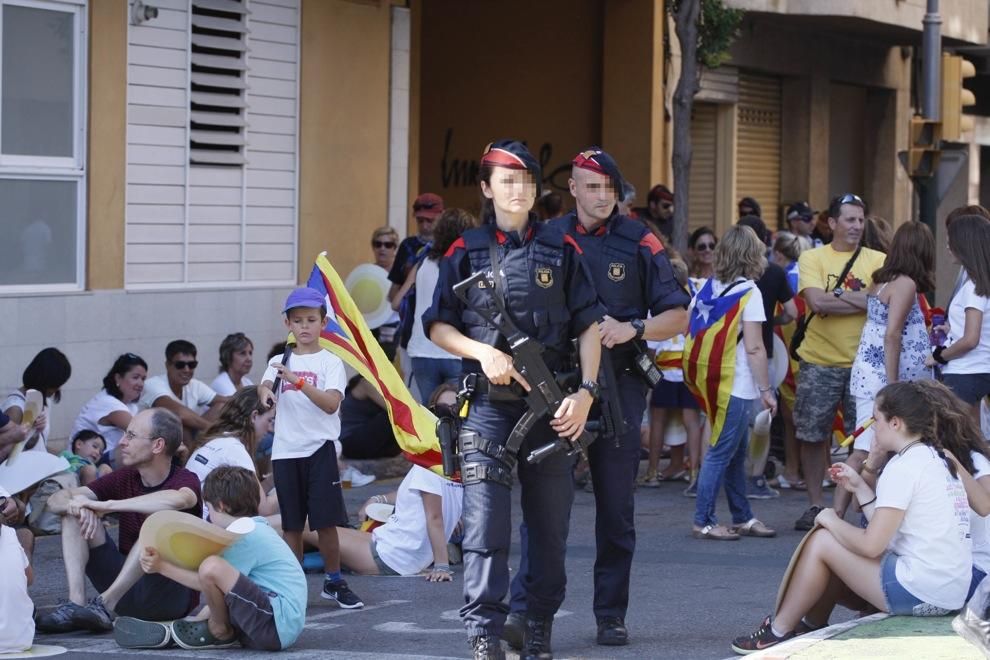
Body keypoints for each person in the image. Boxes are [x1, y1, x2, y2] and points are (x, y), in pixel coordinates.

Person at [424, 139, 604, 660]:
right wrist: (483, 352)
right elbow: (437, 325)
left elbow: (590, 324)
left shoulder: (562, 247)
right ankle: (483, 632)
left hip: (552, 411)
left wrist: (587, 394)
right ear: (486, 188)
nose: (518, 190)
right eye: (507, 181)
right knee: (485, 528)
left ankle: (535, 624)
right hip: (486, 408)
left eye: (526, 181)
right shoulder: (466, 250)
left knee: (549, 530)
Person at [506, 147, 689, 648]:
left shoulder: (639, 239)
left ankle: (610, 613)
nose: (601, 196)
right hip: (558, 384)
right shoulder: (547, 237)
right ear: (574, 189)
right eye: (592, 186)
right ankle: (528, 612)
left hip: (619, 385)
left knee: (614, 505)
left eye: (609, 187)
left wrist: (633, 327)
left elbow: (678, 315)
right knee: (544, 504)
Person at [731, 380, 972, 653]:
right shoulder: (934, 457)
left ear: (895, 423)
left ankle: (779, 631)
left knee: (824, 540)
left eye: (876, 419)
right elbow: (892, 529)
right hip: (948, 591)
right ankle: (808, 626)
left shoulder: (903, 467)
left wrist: (831, 519)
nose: (872, 428)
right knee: (833, 541)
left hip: (923, 591)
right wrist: (859, 486)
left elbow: (872, 545)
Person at [35, 408, 203, 633]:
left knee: (157, 522)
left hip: (168, 596)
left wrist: (105, 505)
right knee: (73, 512)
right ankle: (75, 607)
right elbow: (56, 500)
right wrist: (76, 506)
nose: (122, 442)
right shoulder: (125, 476)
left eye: (131, 436)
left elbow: (180, 499)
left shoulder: (184, 479)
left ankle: (105, 604)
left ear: (157, 445)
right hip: (127, 590)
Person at [258, 287, 364, 610]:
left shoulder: (331, 362)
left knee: (325, 521)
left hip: (320, 450)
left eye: (311, 320)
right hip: (286, 452)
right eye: (298, 320)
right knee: (291, 524)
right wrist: (265, 393)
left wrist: (299, 382)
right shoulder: (280, 360)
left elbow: (332, 404)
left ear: (323, 323)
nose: (304, 326)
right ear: (287, 323)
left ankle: (334, 581)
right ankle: (295, 584)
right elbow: (264, 385)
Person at [135, 466, 308, 651]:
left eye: (208, 508)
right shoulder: (253, 527)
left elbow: (208, 579)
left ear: (221, 505)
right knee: (212, 570)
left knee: (211, 567)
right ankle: (216, 628)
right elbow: (225, 589)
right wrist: (198, 620)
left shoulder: (244, 534)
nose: (208, 515)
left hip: (274, 627)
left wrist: (162, 567)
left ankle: (219, 630)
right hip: (275, 626)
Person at [792, 194, 886, 532]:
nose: (857, 226)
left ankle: (855, 507)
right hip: (818, 362)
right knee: (812, 435)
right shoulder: (811, 257)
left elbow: (880, 302)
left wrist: (838, 299)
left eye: (860, 220)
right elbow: (816, 302)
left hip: (865, 366)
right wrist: (859, 300)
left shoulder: (879, 259)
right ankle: (816, 504)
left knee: (863, 441)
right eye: (849, 219)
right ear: (831, 223)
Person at [687, 225, 778, 541]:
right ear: (752, 254)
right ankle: (705, 521)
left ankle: (742, 516)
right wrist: (766, 391)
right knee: (720, 452)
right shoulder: (750, 292)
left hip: (710, 379)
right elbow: (755, 347)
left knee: (735, 452)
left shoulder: (709, 286)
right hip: (735, 383)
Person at [841, 222, 935, 517]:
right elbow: (892, 334)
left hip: (870, 375)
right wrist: (894, 386)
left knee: (865, 449)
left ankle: (839, 514)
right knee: (869, 451)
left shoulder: (883, 279)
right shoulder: (905, 283)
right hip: (886, 381)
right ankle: (844, 516)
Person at [736, 216, 797, 498]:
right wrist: (775, 321)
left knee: (728, 418)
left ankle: (724, 475)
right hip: (765, 352)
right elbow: (793, 312)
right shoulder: (773, 272)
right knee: (763, 420)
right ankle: (755, 478)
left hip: (730, 353)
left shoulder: (726, 272)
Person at [391, 208, 476, 402]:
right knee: (457, 418)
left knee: (429, 418)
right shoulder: (467, 264)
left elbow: (397, 302)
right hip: (457, 351)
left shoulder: (423, 263)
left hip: (421, 351)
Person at [339, 463, 464, 579]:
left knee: (322, 530)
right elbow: (419, 491)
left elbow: (434, 518)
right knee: (332, 532)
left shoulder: (426, 468)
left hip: (394, 556)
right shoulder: (451, 465)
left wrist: (441, 567)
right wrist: (379, 498)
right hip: (397, 546)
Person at [927, 215, 990, 425]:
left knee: (956, 438)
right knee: (974, 440)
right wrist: (952, 327)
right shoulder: (980, 284)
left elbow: (971, 339)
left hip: (965, 372)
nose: (947, 246)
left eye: (950, 240)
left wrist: (939, 356)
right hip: (979, 369)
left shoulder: (973, 287)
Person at [184, 387, 278, 518]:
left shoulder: (220, 439)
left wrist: (273, 481)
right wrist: (293, 484)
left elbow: (252, 497)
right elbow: (264, 509)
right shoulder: (234, 449)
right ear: (254, 416)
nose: (270, 429)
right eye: (269, 420)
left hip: (197, 523)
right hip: (207, 529)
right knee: (297, 522)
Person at [770, 232, 810, 490]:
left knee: (792, 417)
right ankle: (803, 471)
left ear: (779, 254)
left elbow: (788, 315)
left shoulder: (784, 276)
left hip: (790, 353)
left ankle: (794, 471)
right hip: (809, 352)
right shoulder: (807, 273)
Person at [140, 340, 229, 442]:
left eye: (191, 365)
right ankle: (193, 456)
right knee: (179, 423)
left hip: (187, 440)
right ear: (167, 365)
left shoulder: (194, 385)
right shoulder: (153, 384)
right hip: (151, 444)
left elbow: (226, 402)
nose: (186, 369)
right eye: (180, 365)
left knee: (222, 406)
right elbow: (180, 414)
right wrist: (215, 429)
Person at [72, 353, 148, 465]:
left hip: (104, 461)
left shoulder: (131, 406)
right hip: (83, 464)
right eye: (135, 377)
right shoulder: (107, 402)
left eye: (143, 379)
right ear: (118, 378)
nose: (141, 384)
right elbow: (139, 431)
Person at [2, 347, 72, 454]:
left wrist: (63, 456)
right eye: (56, 385)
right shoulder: (15, 409)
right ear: (45, 382)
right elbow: (9, 453)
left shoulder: (43, 399)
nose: (57, 389)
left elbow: (39, 445)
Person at [0, 486, 34, 654]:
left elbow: (15, 508)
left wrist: (12, 502)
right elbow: (30, 578)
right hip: (21, 639)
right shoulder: (9, 534)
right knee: (24, 535)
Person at [338, 375, 401, 460]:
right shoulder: (365, 383)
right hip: (350, 442)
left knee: (395, 417)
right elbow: (393, 409)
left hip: (361, 441)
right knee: (391, 417)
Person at [370, 226, 402, 361]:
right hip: (370, 329)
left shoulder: (402, 273)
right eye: (378, 244)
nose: (382, 248)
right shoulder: (367, 273)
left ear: (395, 248)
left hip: (394, 329)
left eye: (388, 245)